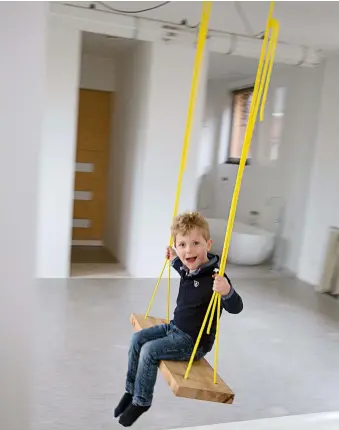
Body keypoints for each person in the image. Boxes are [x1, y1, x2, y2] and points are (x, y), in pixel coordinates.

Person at [114, 211, 243, 426]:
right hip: (175, 328)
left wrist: (227, 291)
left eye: (195, 243)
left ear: (208, 244)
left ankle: (141, 401)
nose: (188, 250)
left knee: (149, 351)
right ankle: (131, 389)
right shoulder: (188, 268)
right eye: (182, 245)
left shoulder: (216, 278)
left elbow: (236, 307)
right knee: (137, 340)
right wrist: (173, 257)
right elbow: (181, 266)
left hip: (193, 342)